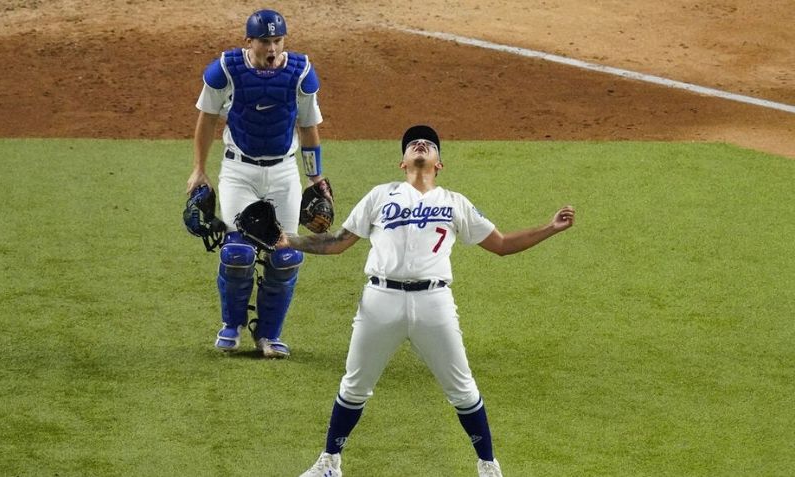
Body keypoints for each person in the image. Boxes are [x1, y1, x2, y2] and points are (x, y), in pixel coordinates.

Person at [283, 125, 576, 477]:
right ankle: (329, 463)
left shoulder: (454, 202)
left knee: (463, 389)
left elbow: (501, 244)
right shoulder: (380, 196)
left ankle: (488, 466)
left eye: (429, 145)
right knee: (354, 385)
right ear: (402, 162)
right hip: (380, 299)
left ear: (439, 164)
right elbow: (338, 242)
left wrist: (549, 228)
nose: (421, 145)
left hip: (434, 301)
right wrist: (291, 240)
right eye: (413, 144)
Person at [186, 9, 328, 359]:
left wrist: (315, 176)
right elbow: (206, 120)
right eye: (265, 41)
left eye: (278, 41)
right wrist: (199, 170)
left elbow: (309, 127)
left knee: (287, 255)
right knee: (237, 254)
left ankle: (269, 336)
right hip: (239, 173)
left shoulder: (300, 74)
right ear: (248, 41)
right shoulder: (225, 70)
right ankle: (231, 326)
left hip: (283, 173)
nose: (272, 48)